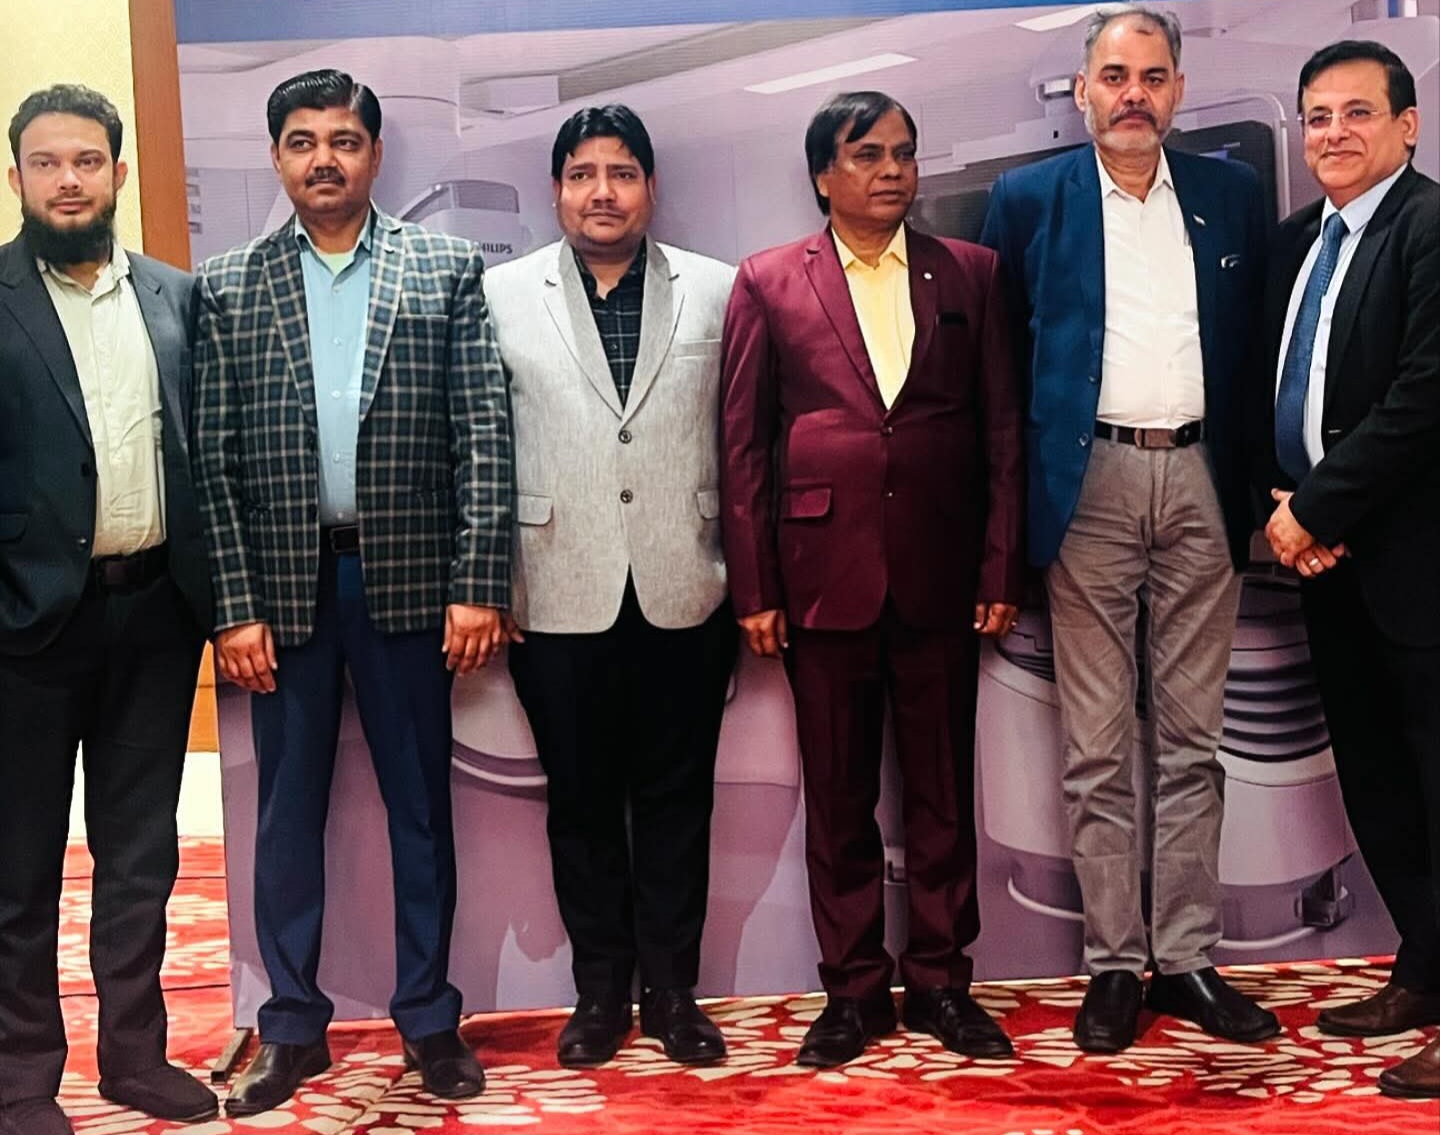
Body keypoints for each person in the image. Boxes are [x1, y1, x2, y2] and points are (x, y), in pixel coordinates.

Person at [191, 69, 511, 1116]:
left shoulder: (444, 267)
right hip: (282, 595)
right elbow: (212, 463)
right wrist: (233, 605)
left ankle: (429, 1018)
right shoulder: (228, 285)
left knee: (421, 810)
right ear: (276, 157)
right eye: (302, 141)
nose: (323, 158)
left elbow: (482, 434)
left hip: (411, 584)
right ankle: (291, 1025)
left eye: (343, 140)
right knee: (286, 818)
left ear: (374, 153)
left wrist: (478, 583)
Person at [980, 5, 1278, 1052]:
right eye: (1115, 76)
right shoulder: (1027, 201)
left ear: (1179, 90)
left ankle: (1186, 959)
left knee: (1194, 743)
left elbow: (1258, 352)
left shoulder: (1232, 197)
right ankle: (1115, 964)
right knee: (1098, 747)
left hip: (1202, 477)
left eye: (1153, 77)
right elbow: (999, 369)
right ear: (1082, 89)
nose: (1134, 95)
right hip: (1087, 485)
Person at [720, 90, 1024, 1068]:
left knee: (942, 792)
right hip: (820, 577)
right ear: (823, 175)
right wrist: (756, 588)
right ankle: (852, 990)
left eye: (903, 153)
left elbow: (1002, 431)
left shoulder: (969, 272)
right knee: (840, 796)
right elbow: (744, 446)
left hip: (943, 570)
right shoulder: (770, 280)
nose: (891, 171)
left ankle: (942, 982)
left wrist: (999, 562)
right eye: (867, 155)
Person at [485, 104, 737, 1068]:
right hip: (555, 586)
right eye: (583, 173)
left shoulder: (717, 289)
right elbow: (479, 447)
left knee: (679, 803)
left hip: (686, 581)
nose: (603, 192)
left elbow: (745, 440)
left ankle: (673, 995)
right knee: (581, 806)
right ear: (557, 189)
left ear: (651, 188)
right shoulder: (501, 295)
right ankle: (599, 996)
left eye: (622, 173)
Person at [0, 84, 218, 1135]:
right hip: (24, 630)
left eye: (88, 160)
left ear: (119, 174)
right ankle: (20, 1078)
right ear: (17, 178)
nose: (68, 180)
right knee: (20, 868)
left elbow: (205, 451)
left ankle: (135, 1056)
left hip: (154, 619)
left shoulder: (177, 298)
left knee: (140, 856)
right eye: (46, 162)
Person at [1255, 40, 1439, 1098]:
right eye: (1317, 115)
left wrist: (1317, 509)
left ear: (1407, 125)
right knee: (1377, 782)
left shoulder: (1430, 227)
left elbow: (1425, 393)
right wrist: (1285, 512)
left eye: (1358, 112)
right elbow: (1268, 390)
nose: (1333, 133)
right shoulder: (1296, 243)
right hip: (1325, 566)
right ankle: (1426, 969)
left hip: (1417, 564)